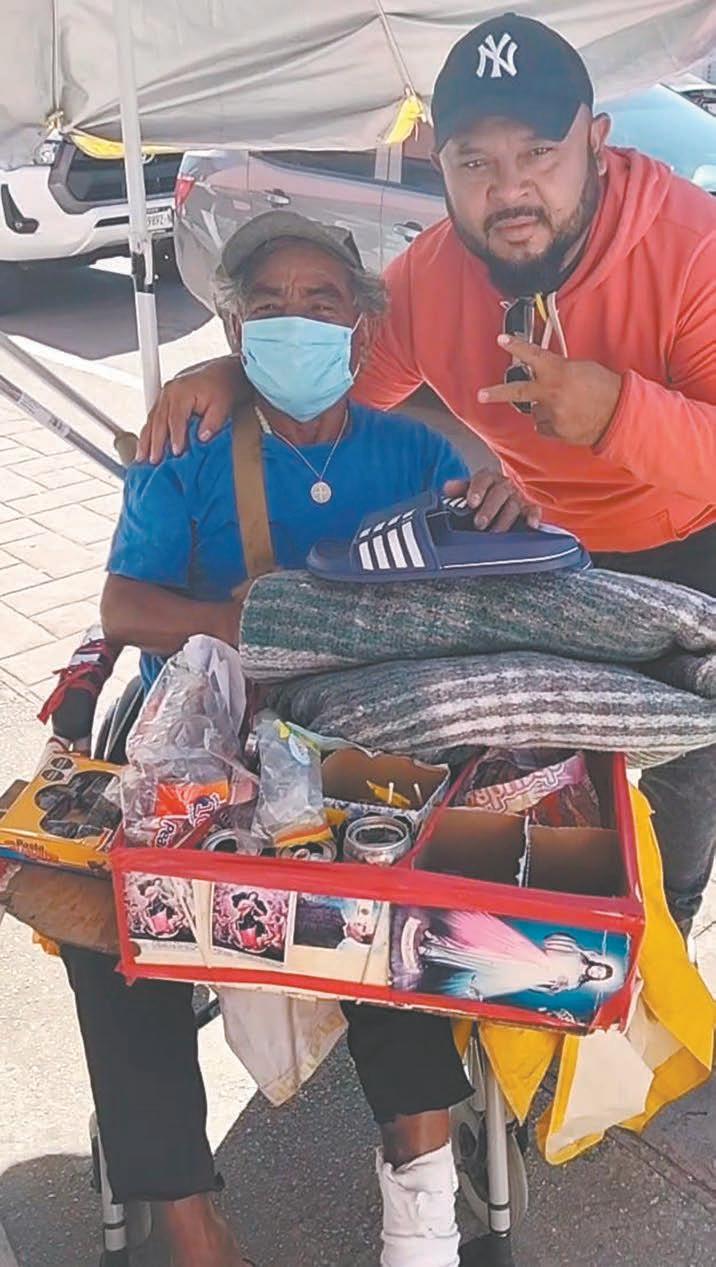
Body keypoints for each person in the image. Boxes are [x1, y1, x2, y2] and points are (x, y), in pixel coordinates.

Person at [142, 11, 716, 945]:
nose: (510, 188)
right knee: (538, 784)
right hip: (544, 561)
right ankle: (529, 955)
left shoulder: (694, 248)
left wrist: (617, 411)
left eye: (539, 152)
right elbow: (333, 382)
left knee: (684, 789)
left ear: (598, 142)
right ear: (437, 166)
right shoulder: (431, 278)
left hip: (693, 546)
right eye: (475, 162)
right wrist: (228, 369)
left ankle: (669, 936)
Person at [62, 211, 510, 1267]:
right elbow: (124, 606)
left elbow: (476, 591)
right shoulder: (186, 446)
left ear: (361, 327)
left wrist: (504, 507)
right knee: (109, 927)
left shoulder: (413, 451)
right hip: (200, 748)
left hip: (359, 747)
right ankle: (190, 1225)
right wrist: (242, 624)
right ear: (234, 330)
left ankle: (420, 1205)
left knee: (397, 896)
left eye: (321, 301)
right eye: (268, 305)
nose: (294, 321)